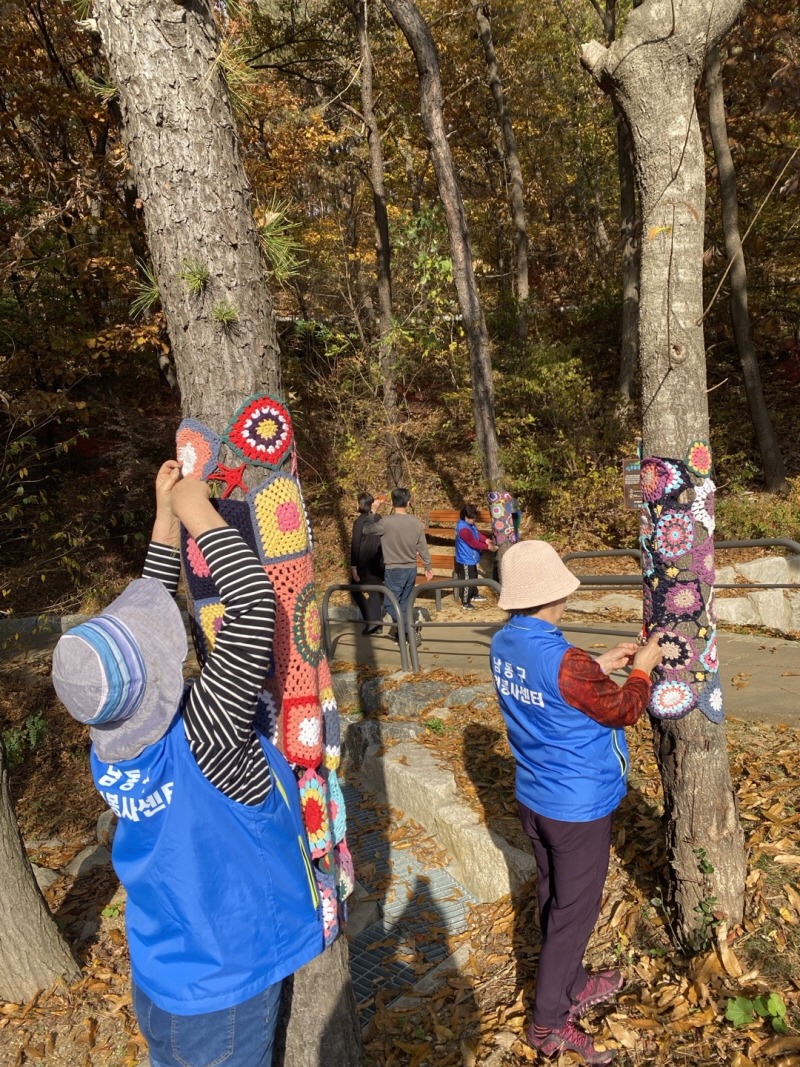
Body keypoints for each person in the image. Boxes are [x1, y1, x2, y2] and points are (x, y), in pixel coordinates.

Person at [51, 461, 323, 1067]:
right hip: (224, 986)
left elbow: (148, 613)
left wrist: (163, 521)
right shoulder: (208, 733)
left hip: (167, 972)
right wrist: (197, 509)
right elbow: (254, 608)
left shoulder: (113, 744)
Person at [491, 540, 662, 1066]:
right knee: (576, 912)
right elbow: (624, 711)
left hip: (535, 796)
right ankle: (547, 1024)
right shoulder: (565, 662)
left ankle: (573, 981)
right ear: (557, 595)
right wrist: (642, 668)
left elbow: (556, 688)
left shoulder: (503, 642)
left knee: (553, 897)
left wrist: (596, 664)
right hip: (577, 805)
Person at [375, 487, 433, 645]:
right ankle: (404, 635)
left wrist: (373, 511)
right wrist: (428, 566)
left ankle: (409, 630)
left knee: (389, 603)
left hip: (394, 569)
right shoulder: (415, 522)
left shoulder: (385, 522)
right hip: (411, 568)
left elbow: (367, 530)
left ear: (392, 503)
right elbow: (422, 547)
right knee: (405, 603)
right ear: (408, 502)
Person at [350, 491, 385, 634]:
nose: (356, 504)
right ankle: (378, 625)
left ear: (362, 504)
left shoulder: (359, 522)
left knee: (355, 590)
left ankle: (371, 621)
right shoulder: (380, 518)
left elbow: (355, 544)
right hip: (379, 560)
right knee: (375, 591)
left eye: (357, 502)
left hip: (364, 562)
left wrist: (353, 566)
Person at [455, 503, 496, 608]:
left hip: (472, 557)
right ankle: (465, 602)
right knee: (468, 581)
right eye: (472, 518)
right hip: (465, 559)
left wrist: (486, 540)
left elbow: (477, 535)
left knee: (474, 576)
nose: (474, 520)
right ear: (466, 517)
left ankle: (474, 594)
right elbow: (473, 542)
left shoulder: (470, 524)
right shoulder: (463, 529)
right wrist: (488, 547)